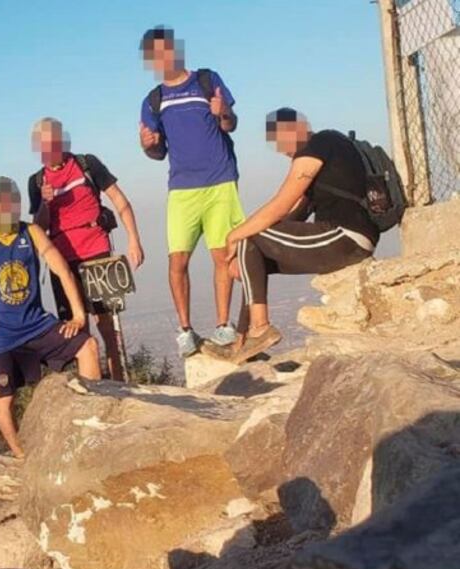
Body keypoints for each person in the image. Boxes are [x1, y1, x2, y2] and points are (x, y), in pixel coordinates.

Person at [0, 177, 102, 457]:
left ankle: (93, 424)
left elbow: (62, 270)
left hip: (37, 325)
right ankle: (21, 456)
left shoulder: (31, 232)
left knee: (88, 347)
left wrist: (78, 315)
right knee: (5, 400)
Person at [211, 108, 379, 363]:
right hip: (345, 239)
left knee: (248, 236)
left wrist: (233, 237)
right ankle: (243, 344)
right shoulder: (328, 151)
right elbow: (290, 219)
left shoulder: (319, 143)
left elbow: (280, 205)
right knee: (253, 248)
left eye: (279, 141)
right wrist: (247, 259)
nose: (281, 150)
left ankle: (260, 329)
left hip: (344, 236)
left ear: (294, 129)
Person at [138, 25, 243, 357]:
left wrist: (222, 112)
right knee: (177, 260)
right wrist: (148, 146)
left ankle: (224, 325)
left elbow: (230, 123)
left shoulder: (207, 80)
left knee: (223, 256)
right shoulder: (153, 100)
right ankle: (185, 331)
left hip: (220, 180)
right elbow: (158, 153)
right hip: (182, 188)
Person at [27, 117, 145, 380]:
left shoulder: (86, 164)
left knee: (108, 325)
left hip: (97, 253)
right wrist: (46, 203)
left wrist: (134, 239)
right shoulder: (36, 182)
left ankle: (119, 385)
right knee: (79, 333)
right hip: (63, 263)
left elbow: (119, 200)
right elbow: (38, 229)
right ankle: (93, 391)